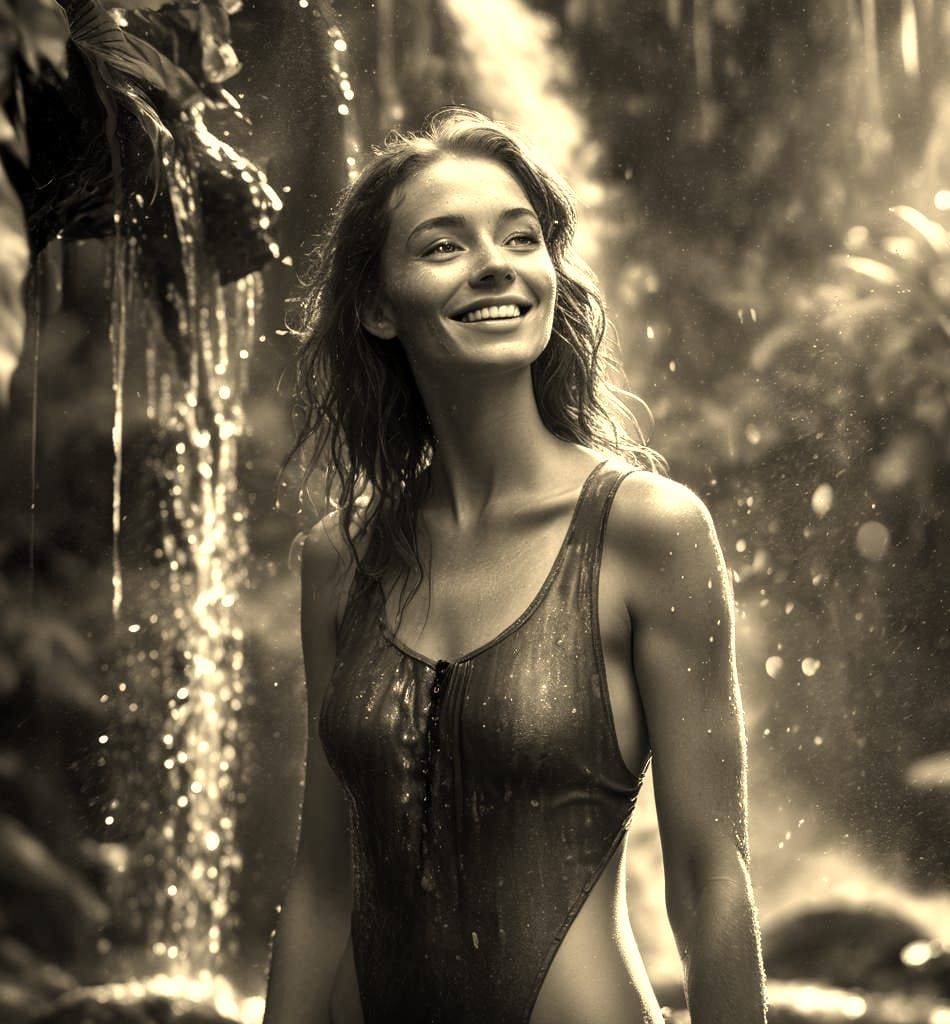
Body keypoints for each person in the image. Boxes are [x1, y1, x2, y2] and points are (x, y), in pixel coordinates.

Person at [263, 106, 767, 1024]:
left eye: (521, 237)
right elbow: (321, 887)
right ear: (377, 306)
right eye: (444, 246)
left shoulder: (648, 532)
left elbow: (709, 879)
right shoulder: (340, 559)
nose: (496, 263)